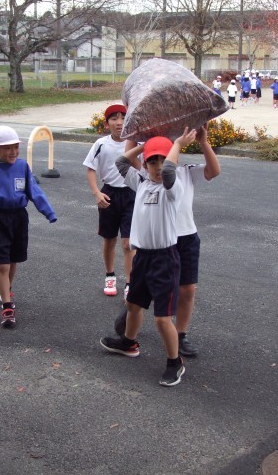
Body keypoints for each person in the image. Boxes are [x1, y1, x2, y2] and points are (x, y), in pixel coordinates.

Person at [100, 129, 197, 387]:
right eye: (153, 161)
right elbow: (121, 162)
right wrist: (145, 147)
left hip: (165, 260)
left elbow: (169, 172)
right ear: (144, 165)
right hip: (142, 257)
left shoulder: (172, 188)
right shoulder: (141, 183)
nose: (158, 166)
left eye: (163, 160)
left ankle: (175, 362)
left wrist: (177, 144)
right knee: (133, 305)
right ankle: (128, 343)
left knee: (162, 318)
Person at [0, 125, 57, 329]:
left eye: (16, 147)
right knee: (2, 264)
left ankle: (6, 290)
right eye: (7, 148)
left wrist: (48, 212)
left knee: (13, 259)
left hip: (18, 217)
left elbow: (34, 191)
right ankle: (7, 306)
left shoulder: (23, 167)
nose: (13, 152)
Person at [83, 104, 137, 298]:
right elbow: (90, 168)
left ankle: (130, 283)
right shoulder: (101, 144)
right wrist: (96, 193)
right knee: (109, 238)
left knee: (128, 242)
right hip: (109, 195)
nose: (119, 122)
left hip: (131, 194)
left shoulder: (135, 143)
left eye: (123, 118)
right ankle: (110, 275)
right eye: (114, 118)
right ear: (106, 124)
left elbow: (145, 167)